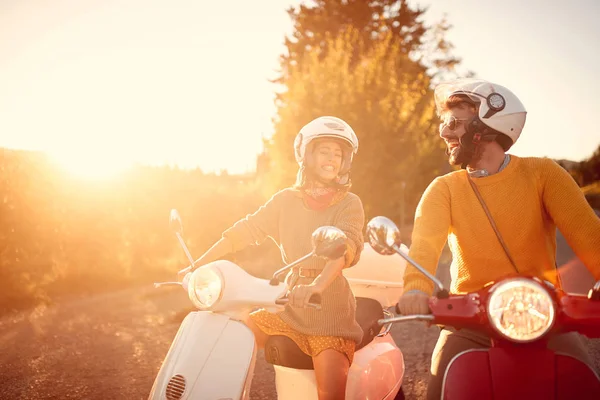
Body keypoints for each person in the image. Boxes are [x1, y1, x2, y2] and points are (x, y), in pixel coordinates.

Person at [396, 78, 600, 399]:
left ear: (486, 124)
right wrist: (415, 289)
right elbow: (424, 245)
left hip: (545, 316)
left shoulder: (543, 174)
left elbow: (590, 235)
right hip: (470, 320)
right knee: (440, 385)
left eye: (453, 123)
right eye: (443, 124)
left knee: (584, 381)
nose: (445, 133)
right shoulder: (444, 189)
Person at [189, 116, 365, 400]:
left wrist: (316, 286)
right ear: (306, 155)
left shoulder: (349, 203)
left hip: (330, 309)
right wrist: (197, 264)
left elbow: (345, 247)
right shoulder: (285, 200)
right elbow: (246, 230)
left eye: (338, 154)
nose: (332, 159)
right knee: (230, 340)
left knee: (330, 394)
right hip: (287, 305)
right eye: (324, 151)